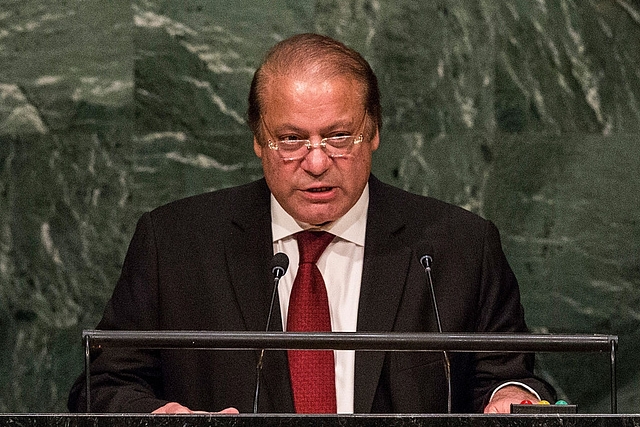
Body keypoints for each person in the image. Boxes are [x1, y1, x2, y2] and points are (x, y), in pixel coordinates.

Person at [68, 33, 554, 415]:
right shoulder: (174, 243)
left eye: (339, 136)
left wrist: (514, 396)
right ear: (258, 140)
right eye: (291, 139)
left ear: (375, 132)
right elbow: (104, 383)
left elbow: (510, 376)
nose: (317, 162)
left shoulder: (459, 246)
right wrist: (154, 413)